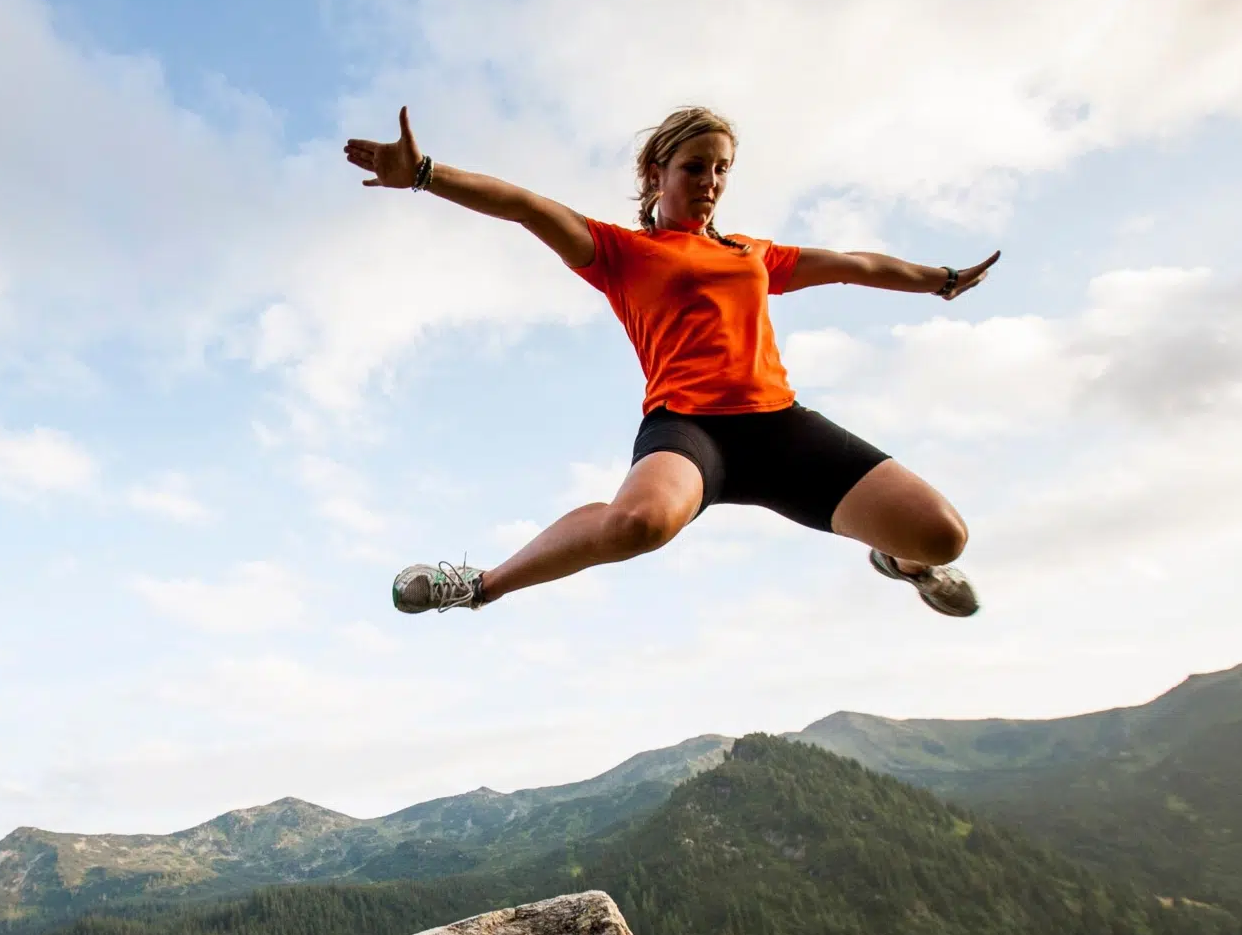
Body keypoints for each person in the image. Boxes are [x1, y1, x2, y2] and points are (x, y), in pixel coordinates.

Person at [343, 105, 999, 618]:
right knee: (638, 523)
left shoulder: (752, 253)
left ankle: (905, 564)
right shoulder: (619, 252)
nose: (710, 182)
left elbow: (854, 265)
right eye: (695, 167)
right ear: (654, 173)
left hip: (780, 428)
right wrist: (426, 175)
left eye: (721, 169)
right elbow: (523, 206)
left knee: (942, 536)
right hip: (689, 431)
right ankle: (478, 586)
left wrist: (937, 279)